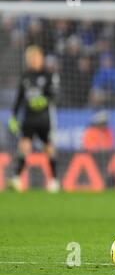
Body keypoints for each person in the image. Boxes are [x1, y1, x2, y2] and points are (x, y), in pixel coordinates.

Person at [8, 45, 60, 193]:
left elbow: (55, 95)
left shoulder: (49, 75)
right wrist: (13, 116)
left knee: (48, 147)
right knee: (24, 145)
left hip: (45, 117)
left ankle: (54, 180)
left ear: (41, 58)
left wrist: (44, 100)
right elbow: (18, 98)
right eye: (30, 58)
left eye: (35, 57)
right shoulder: (25, 76)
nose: (33, 61)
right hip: (29, 118)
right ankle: (17, 179)